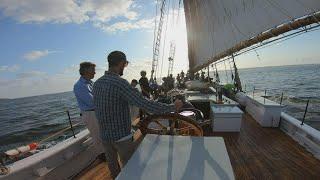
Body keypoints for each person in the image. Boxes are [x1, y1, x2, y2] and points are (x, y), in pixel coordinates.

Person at [93, 51, 183, 179]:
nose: (125, 67)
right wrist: (173, 106)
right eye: (125, 64)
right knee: (132, 169)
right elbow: (146, 105)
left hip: (105, 136)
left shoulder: (97, 84)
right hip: (121, 137)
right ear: (121, 63)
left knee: (113, 168)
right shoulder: (120, 83)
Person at [73, 62, 104, 157]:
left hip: (96, 112)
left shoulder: (90, 83)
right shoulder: (80, 85)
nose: (95, 73)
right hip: (90, 114)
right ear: (86, 71)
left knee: (102, 134)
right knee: (97, 135)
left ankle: (106, 152)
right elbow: (92, 102)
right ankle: (102, 154)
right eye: (93, 70)